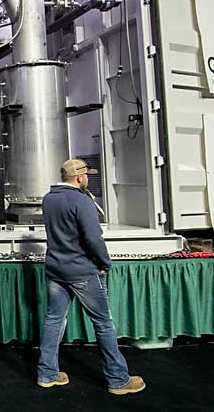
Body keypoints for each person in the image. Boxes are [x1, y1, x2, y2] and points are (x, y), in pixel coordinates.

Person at [36, 159, 146, 395]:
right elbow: (93, 239)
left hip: (56, 269)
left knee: (53, 320)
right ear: (78, 177)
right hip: (83, 271)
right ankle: (118, 380)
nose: (88, 178)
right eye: (86, 174)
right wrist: (104, 263)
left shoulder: (48, 199)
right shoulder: (81, 201)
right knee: (103, 323)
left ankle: (47, 374)